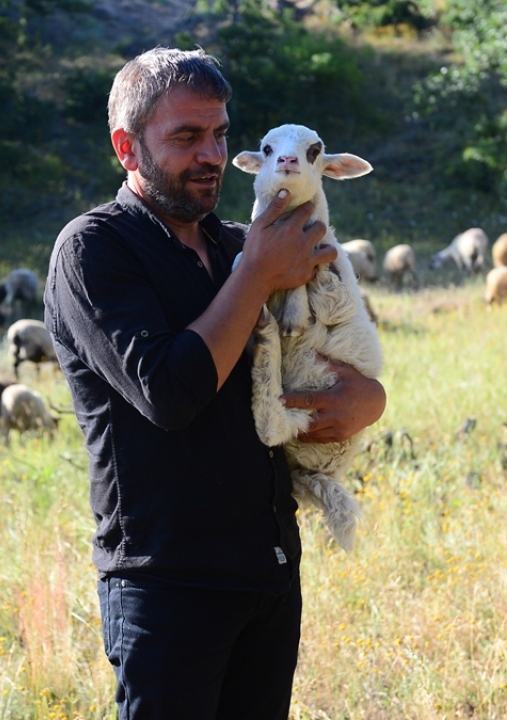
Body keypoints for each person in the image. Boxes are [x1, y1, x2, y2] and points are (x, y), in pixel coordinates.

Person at [43, 47, 386, 718]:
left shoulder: (242, 243)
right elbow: (169, 394)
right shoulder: (94, 250)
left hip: (267, 571)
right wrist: (255, 276)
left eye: (220, 134)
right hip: (166, 587)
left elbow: (338, 345)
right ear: (127, 147)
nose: (211, 154)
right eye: (186, 137)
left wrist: (366, 400)